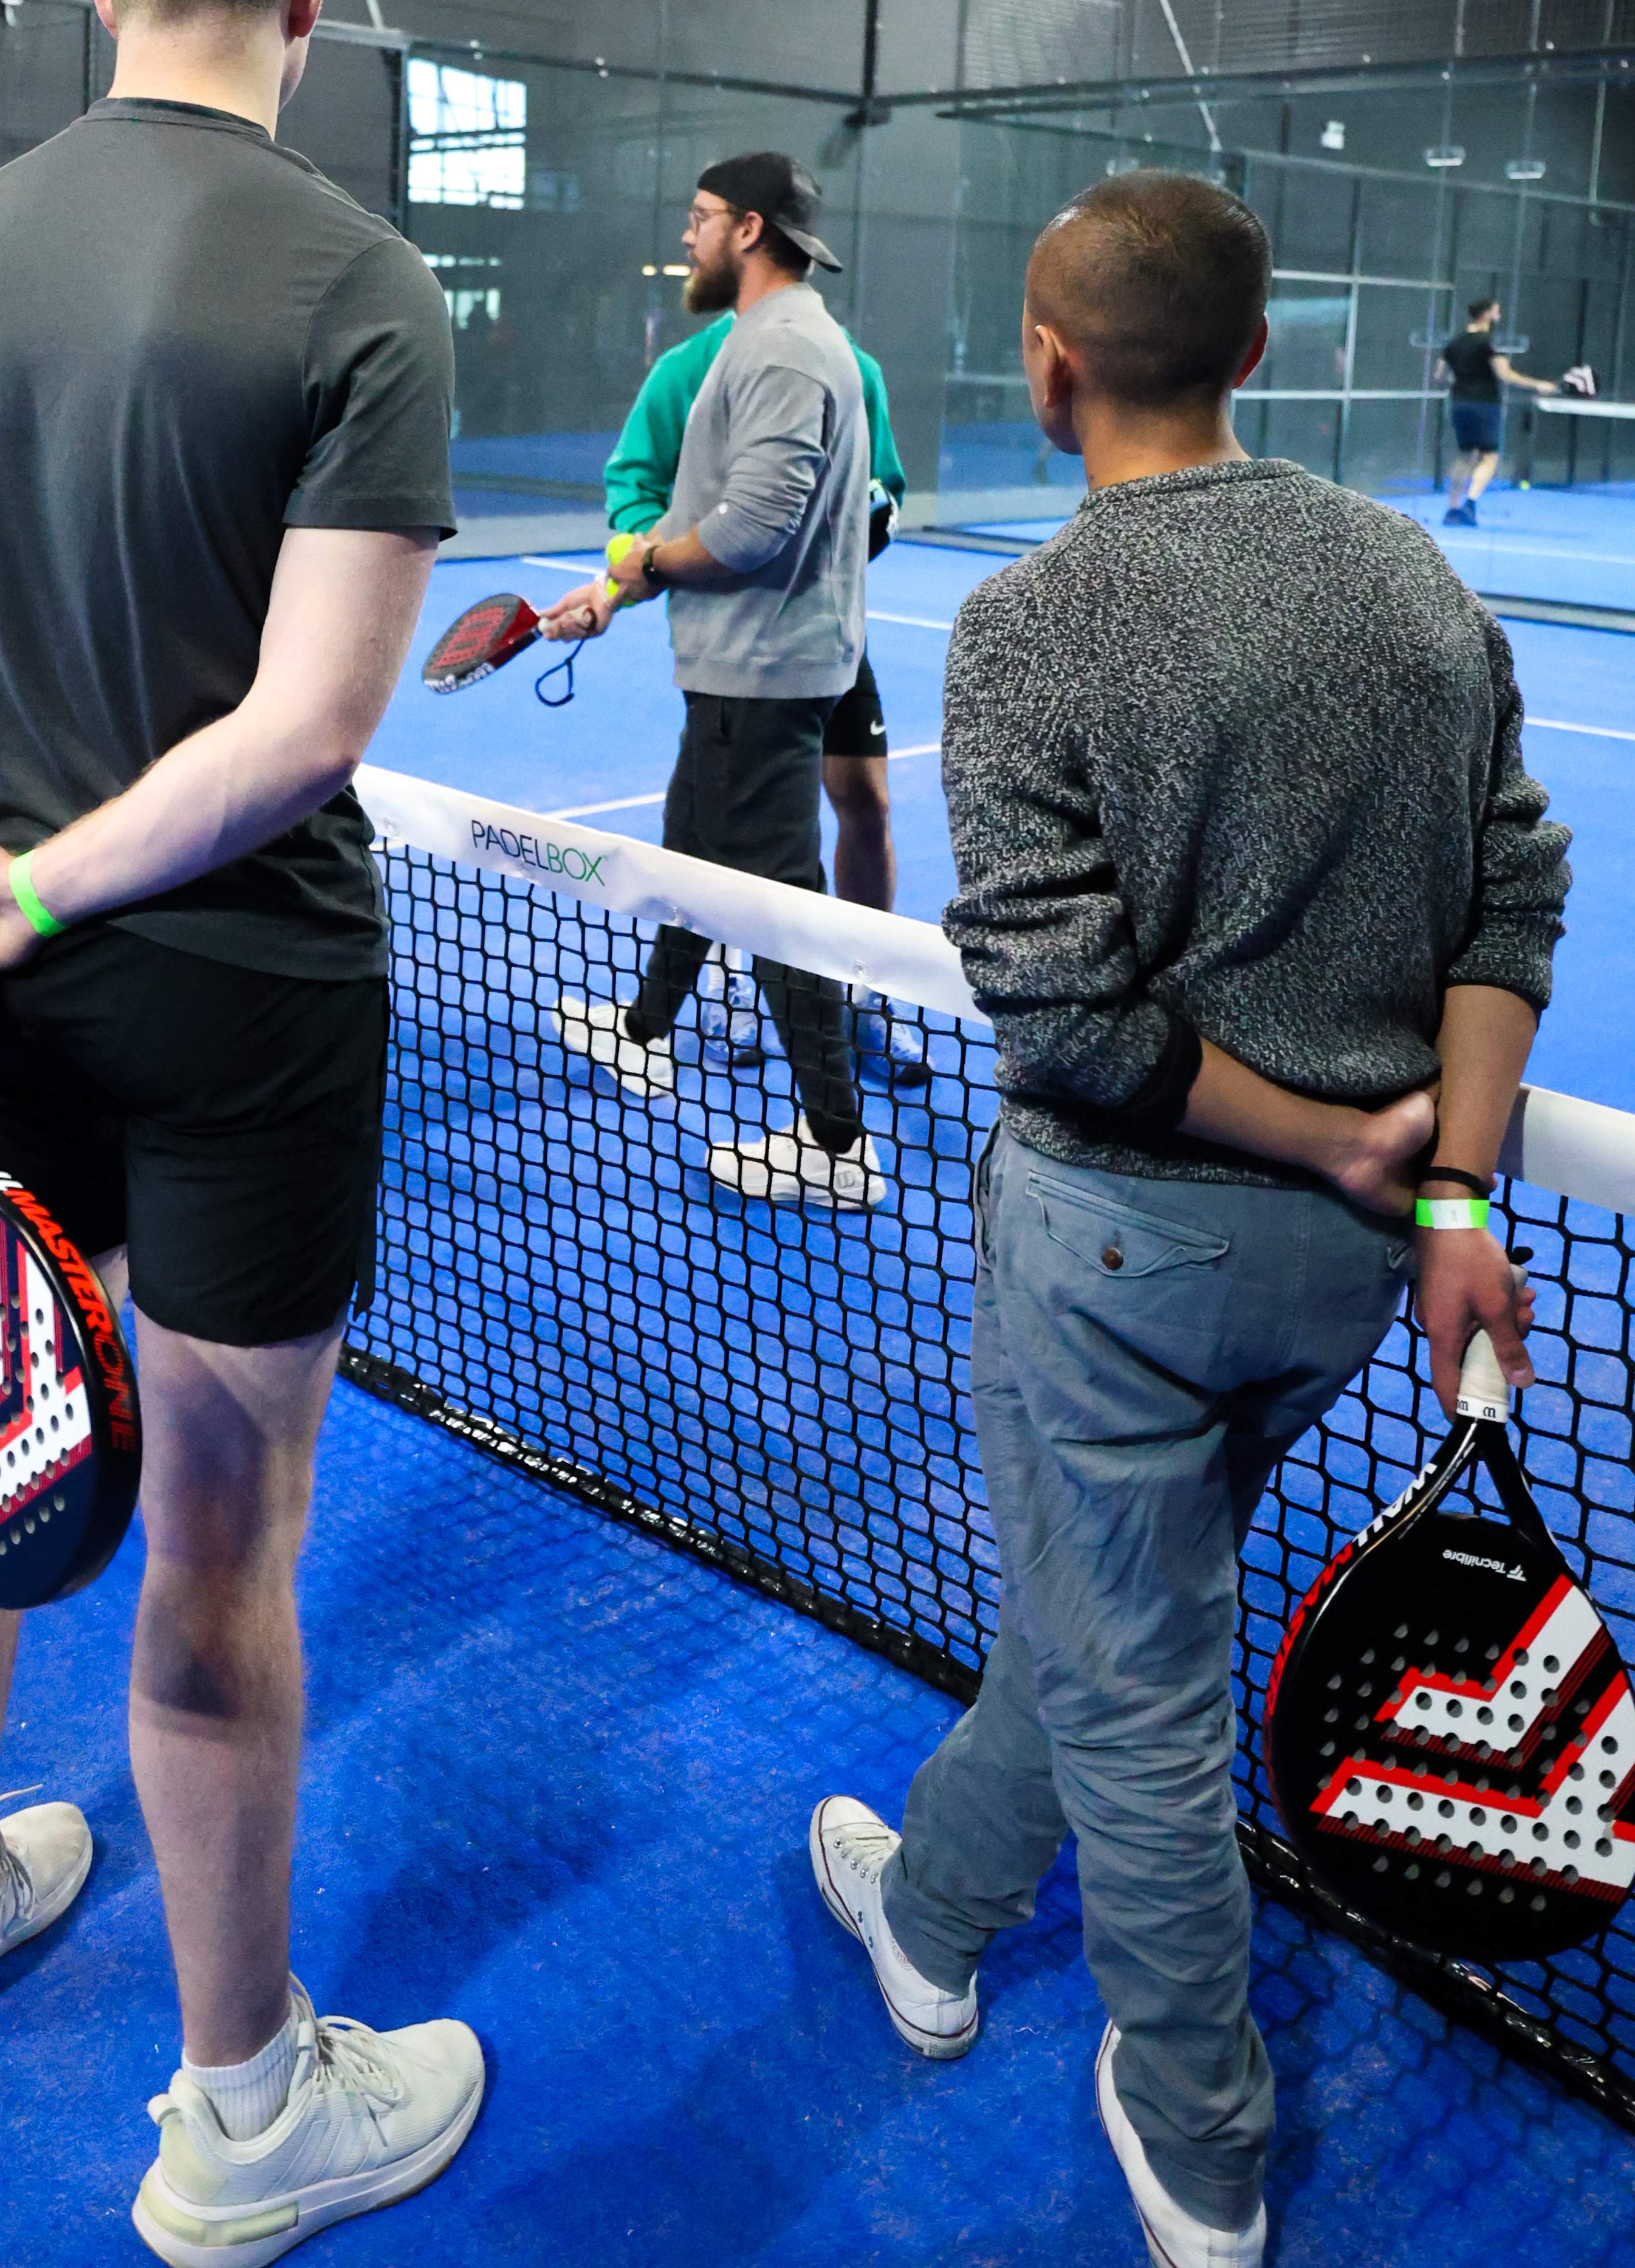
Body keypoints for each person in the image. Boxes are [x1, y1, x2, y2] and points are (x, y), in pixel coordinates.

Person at [0, 0, 484, 2259]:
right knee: (219, 1554)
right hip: (239, 1010)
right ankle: (238, 2118)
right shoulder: (359, 285)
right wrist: (22, 890)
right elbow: (307, 729)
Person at [809, 171, 1566, 2268]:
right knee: (1100, 1601)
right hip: (1330, 1283)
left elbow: (1061, 1007)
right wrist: (1429, 1185)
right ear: (1248, 354)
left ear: (1047, 370)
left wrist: (1344, 1149)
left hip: (1119, 1256)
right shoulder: (1409, 579)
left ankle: (1196, 2135)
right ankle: (934, 1900)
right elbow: (1508, 894)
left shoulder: (1021, 622)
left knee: (1138, 1690)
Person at [538, 152, 876, 1210]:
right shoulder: (762, 342)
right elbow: (710, 520)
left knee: (775, 910)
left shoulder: (781, 351)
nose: (684, 236)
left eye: (697, 218)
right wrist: (613, 591)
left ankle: (834, 1139)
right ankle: (643, 1030)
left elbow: (751, 529)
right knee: (693, 850)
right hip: (746, 667)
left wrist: (636, 564)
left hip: (763, 678)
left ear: (747, 227)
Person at [600, 284, 924, 1086]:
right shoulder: (685, 372)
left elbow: (883, 487)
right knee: (732, 844)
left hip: (828, 632)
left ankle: (864, 985)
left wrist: (833, 540)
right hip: (741, 653)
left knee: (859, 802)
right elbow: (632, 488)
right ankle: (736, 993)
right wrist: (642, 565)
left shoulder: (851, 366)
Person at [1436, 293, 1557, 524]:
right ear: (1487, 314)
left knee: (1465, 455)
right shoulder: (1488, 342)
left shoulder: (1454, 343)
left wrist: (1461, 384)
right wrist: (1539, 384)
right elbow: (1505, 374)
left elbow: (1439, 376)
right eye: (1497, 311)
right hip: (1484, 405)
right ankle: (1470, 505)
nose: (1499, 315)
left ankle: (1452, 509)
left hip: (1460, 404)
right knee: (1489, 457)